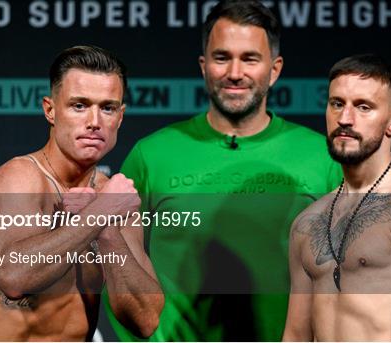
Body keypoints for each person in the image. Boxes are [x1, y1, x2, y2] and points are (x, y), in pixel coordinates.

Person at [107, 0, 342, 341]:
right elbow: (121, 278)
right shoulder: (150, 155)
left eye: (249, 58)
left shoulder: (324, 158)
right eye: (222, 57)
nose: (234, 73)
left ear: (274, 69)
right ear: (204, 66)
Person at [0, 46, 164, 341]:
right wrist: (99, 213)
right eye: (79, 105)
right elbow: (14, 277)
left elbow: (145, 320)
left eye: (108, 108)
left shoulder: (113, 197)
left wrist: (107, 230)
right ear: (50, 109)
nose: (94, 122)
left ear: (121, 117)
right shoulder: (20, 178)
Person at [283, 54, 391, 341]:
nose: (345, 118)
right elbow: (296, 334)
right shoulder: (307, 222)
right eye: (337, 104)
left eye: (364, 107)